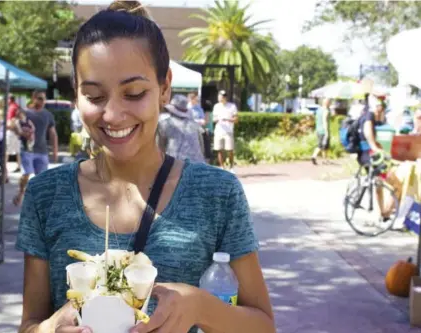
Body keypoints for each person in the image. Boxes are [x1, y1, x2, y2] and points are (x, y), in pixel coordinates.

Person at [15, 2, 275, 333]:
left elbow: (263, 325)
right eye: (94, 97)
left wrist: (200, 306)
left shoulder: (218, 194)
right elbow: (29, 325)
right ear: (76, 94)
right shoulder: (45, 195)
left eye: (134, 93)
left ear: (164, 87)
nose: (112, 115)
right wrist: (49, 329)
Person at [12, 90, 58, 206]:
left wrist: (55, 151)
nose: (42, 101)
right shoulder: (26, 112)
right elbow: (13, 124)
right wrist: (21, 132)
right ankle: (21, 192)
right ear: (33, 98)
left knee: (42, 179)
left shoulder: (48, 115)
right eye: (39, 98)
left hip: (42, 151)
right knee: (26, 173)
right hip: (27, 149)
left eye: (44, 99)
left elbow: (53, 133)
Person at [157, 94, 205, 163]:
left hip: (175, 165)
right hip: (198, 164)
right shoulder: (194, 125)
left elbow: (159, 148)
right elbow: (201, 148)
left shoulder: (165, 124)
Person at [213, 90, 238, 172]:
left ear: (225, 97)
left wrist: (227, 119)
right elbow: (214, 118)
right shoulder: (216, 106)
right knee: (219, 149)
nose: (220, 98)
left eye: (221, 96)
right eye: (219, 96)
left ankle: (231, 167)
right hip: (219, 131)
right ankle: (222, 167)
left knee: (230, 149)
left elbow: (236, 119)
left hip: (228, 131)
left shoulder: (232, 106)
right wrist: (216, 120)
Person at [311, 98, 331, 165]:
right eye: (329, 102)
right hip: (323, 130)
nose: (330, 104)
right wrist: (326, 132)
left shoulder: (319, 110)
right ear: (327, 103)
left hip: (318, 130)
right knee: (324, 146)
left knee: (321, 145)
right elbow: (325, 121)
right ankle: (317, 157)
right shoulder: (326, 111)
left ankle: (323, 159)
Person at [6, 95, 23, 172]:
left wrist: (6, 127)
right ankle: (19, 166)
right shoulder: (18, 106)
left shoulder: (11, 108)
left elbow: (10, 122)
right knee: (18, 150)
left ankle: (4, 167)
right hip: (18, 132)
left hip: (12, 132)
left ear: (10, 99)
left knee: (7, 150)